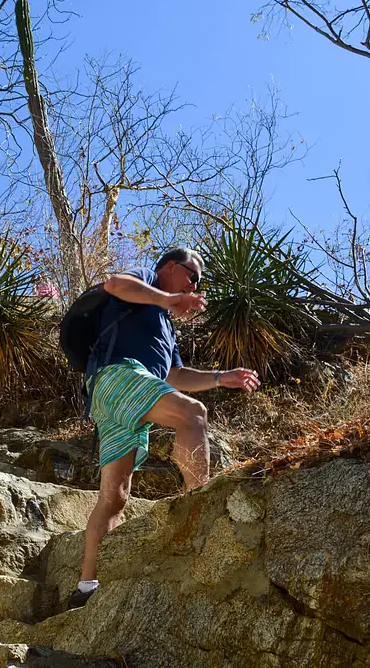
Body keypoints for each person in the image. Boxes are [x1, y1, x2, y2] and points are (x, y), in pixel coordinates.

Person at [68, 247, 261, 610]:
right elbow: (114, 283)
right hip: (117, 376)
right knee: (192, 414)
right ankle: (199, 502)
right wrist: (169, 297)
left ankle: (86, 587)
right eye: (192, 276)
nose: (195, 285)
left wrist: (223, 378)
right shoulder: (145, 278)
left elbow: (174, 375)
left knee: (115, 497)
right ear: (171, 267)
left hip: (120, 397)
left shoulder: (164, 326)